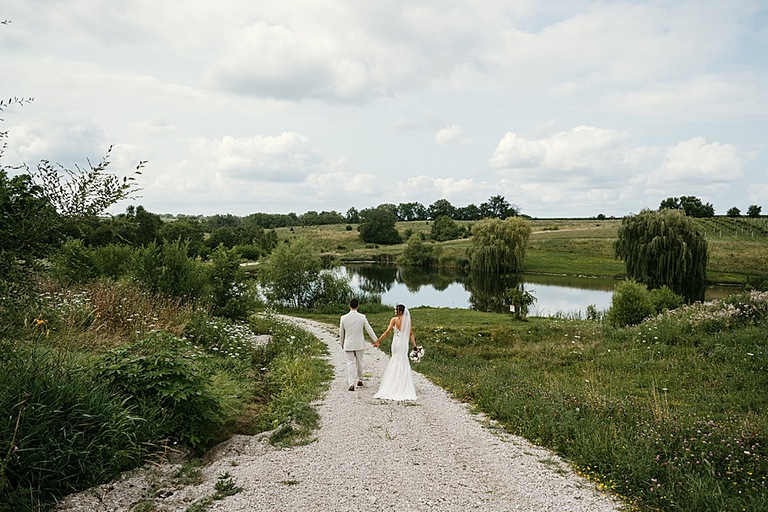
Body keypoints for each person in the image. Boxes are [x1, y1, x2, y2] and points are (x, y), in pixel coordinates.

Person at [373, 304, 418, 401]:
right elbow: (411, 334)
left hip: (396, 344)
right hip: (404, 344)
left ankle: (393, 383)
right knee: (403, 361)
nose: (394, 311)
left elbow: (387, 332)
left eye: (395, 309)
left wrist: (378, 341)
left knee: (395, 360)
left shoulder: (394, 320)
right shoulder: (407, 321)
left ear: (400, 311)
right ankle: (403, 384)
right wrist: (415, 346)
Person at [339, 298, 379, 391]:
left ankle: (351, 383)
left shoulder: (343, 318)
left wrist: (342, 343)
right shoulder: (362, 317)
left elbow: (341, 333)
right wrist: (375, 340)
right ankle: (360, 379)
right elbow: (369, 329)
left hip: (348, 344)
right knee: (359, 362)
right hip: (359, 344)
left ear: (349, 306)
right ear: (358, 306)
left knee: (350, 363)